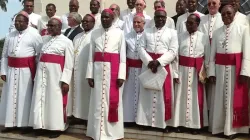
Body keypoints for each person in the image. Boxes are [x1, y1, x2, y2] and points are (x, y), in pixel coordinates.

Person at [208, 5, 250, 139]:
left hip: (235, 70)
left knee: (233, 99)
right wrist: (211, 73)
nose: (226, 16)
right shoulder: (216, 32)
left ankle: (233, 130)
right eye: (223, 14)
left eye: (229, 14)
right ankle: (219, 127)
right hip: (220, 70)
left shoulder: (243, 29)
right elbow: (212, 56)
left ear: (234, 14)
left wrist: (245, 71)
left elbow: (247, 53)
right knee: (219, 99)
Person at [28, 17, 74, 138]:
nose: (49, 28)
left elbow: (69, 64)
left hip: (56, 77)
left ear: (59, 27)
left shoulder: (67, 42)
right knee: (40, 99)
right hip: (41, 76)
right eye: (48, 26)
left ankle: (55, 128)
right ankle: (40, 125)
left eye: (52, 26)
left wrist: (65, 81)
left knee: (54, 101)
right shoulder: (44, 40)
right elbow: (39, 57)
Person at [86, 9, 126, 140]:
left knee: (111, 102)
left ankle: (113, 134)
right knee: (97, 102)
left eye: (107, 17)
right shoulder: (95, 33)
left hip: (112, 73)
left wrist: (121, 76)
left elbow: (122, 58)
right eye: (102, 17)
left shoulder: (119, 33)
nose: (104, 20)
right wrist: (90, 75)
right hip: (97, 72)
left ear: (112, 18)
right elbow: (91, 56)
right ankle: (96, 132)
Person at [136, 8, 178, 132]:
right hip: (148, 66)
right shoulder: (146, 32)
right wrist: (149, 61)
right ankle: (144, 122)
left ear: (166, 19)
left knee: (162, 97)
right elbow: (140, 48)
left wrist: (159, 62)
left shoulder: (172, 33)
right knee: (146, 94)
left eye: (162, 17)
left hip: (163, 66)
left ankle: (162, 124)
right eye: (158, 17)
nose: (160, 19)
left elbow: (173, 51)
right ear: (154, 18)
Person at [0, 11, 42, 133]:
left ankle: (24, 125)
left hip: (26, 71)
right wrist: (3, 71)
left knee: (24, 97)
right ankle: (9, 124)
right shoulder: (10, 35)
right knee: (10, 96)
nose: (17, 23)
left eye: (20, 21)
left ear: (27, 22)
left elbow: (39, 54)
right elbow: (4, 55)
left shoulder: (34, 34)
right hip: (11, 70)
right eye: (16, 21)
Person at [172, 14, 209, 134]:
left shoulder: (204, 37)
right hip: (182, 71)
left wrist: (204, 73)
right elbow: (175, 57)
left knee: (195, 98)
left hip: (196, 72)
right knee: (180, 97)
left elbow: (207, 58)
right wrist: (175, 73)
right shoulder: (180, 36)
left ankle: (195, 125)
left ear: (197, 24)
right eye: (187, 23)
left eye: (191, 23)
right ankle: (179, 123)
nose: (188, 25)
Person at [198, 0, 223, 132]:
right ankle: (202, 121)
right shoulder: (202, 19)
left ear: (219, 5)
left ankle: (212, 122)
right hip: (202, 59)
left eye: (214, 3)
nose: (212, 6)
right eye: (209, 4)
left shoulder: (222, 18)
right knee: (202, 91)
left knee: (213, 93)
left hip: (216, 60)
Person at [67, 14, 95, 125]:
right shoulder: (77, 36)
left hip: (86, 70)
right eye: (83, 21)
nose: (85, 23)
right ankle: (77, 116)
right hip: (76, 69)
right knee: (76, 93)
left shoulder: (94, 35)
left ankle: (86, 117)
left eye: (88, 21)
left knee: (86, 94)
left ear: (93, 23)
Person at [123, 13, 145, 125]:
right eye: (134, 22)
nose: (136, 24)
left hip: (142, 70)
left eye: (138, 22)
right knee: (128, 94)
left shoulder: (147, 35)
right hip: (130, 70)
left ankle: (140, 120)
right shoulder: (126, 36)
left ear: (144, 24)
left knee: (142, 95)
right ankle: (128, 119)